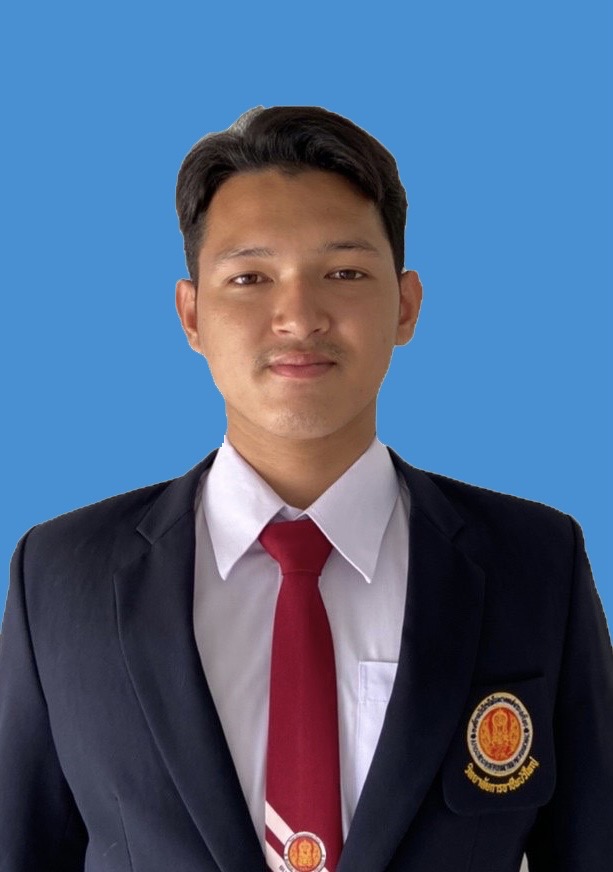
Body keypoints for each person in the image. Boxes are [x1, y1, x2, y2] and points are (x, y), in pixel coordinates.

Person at [0, 105, 611, 872]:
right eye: (250, 278)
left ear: (406, 305)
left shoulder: (534, 560)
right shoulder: (63, 573)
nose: (298, 317)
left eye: (344, 273)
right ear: (191, 314)